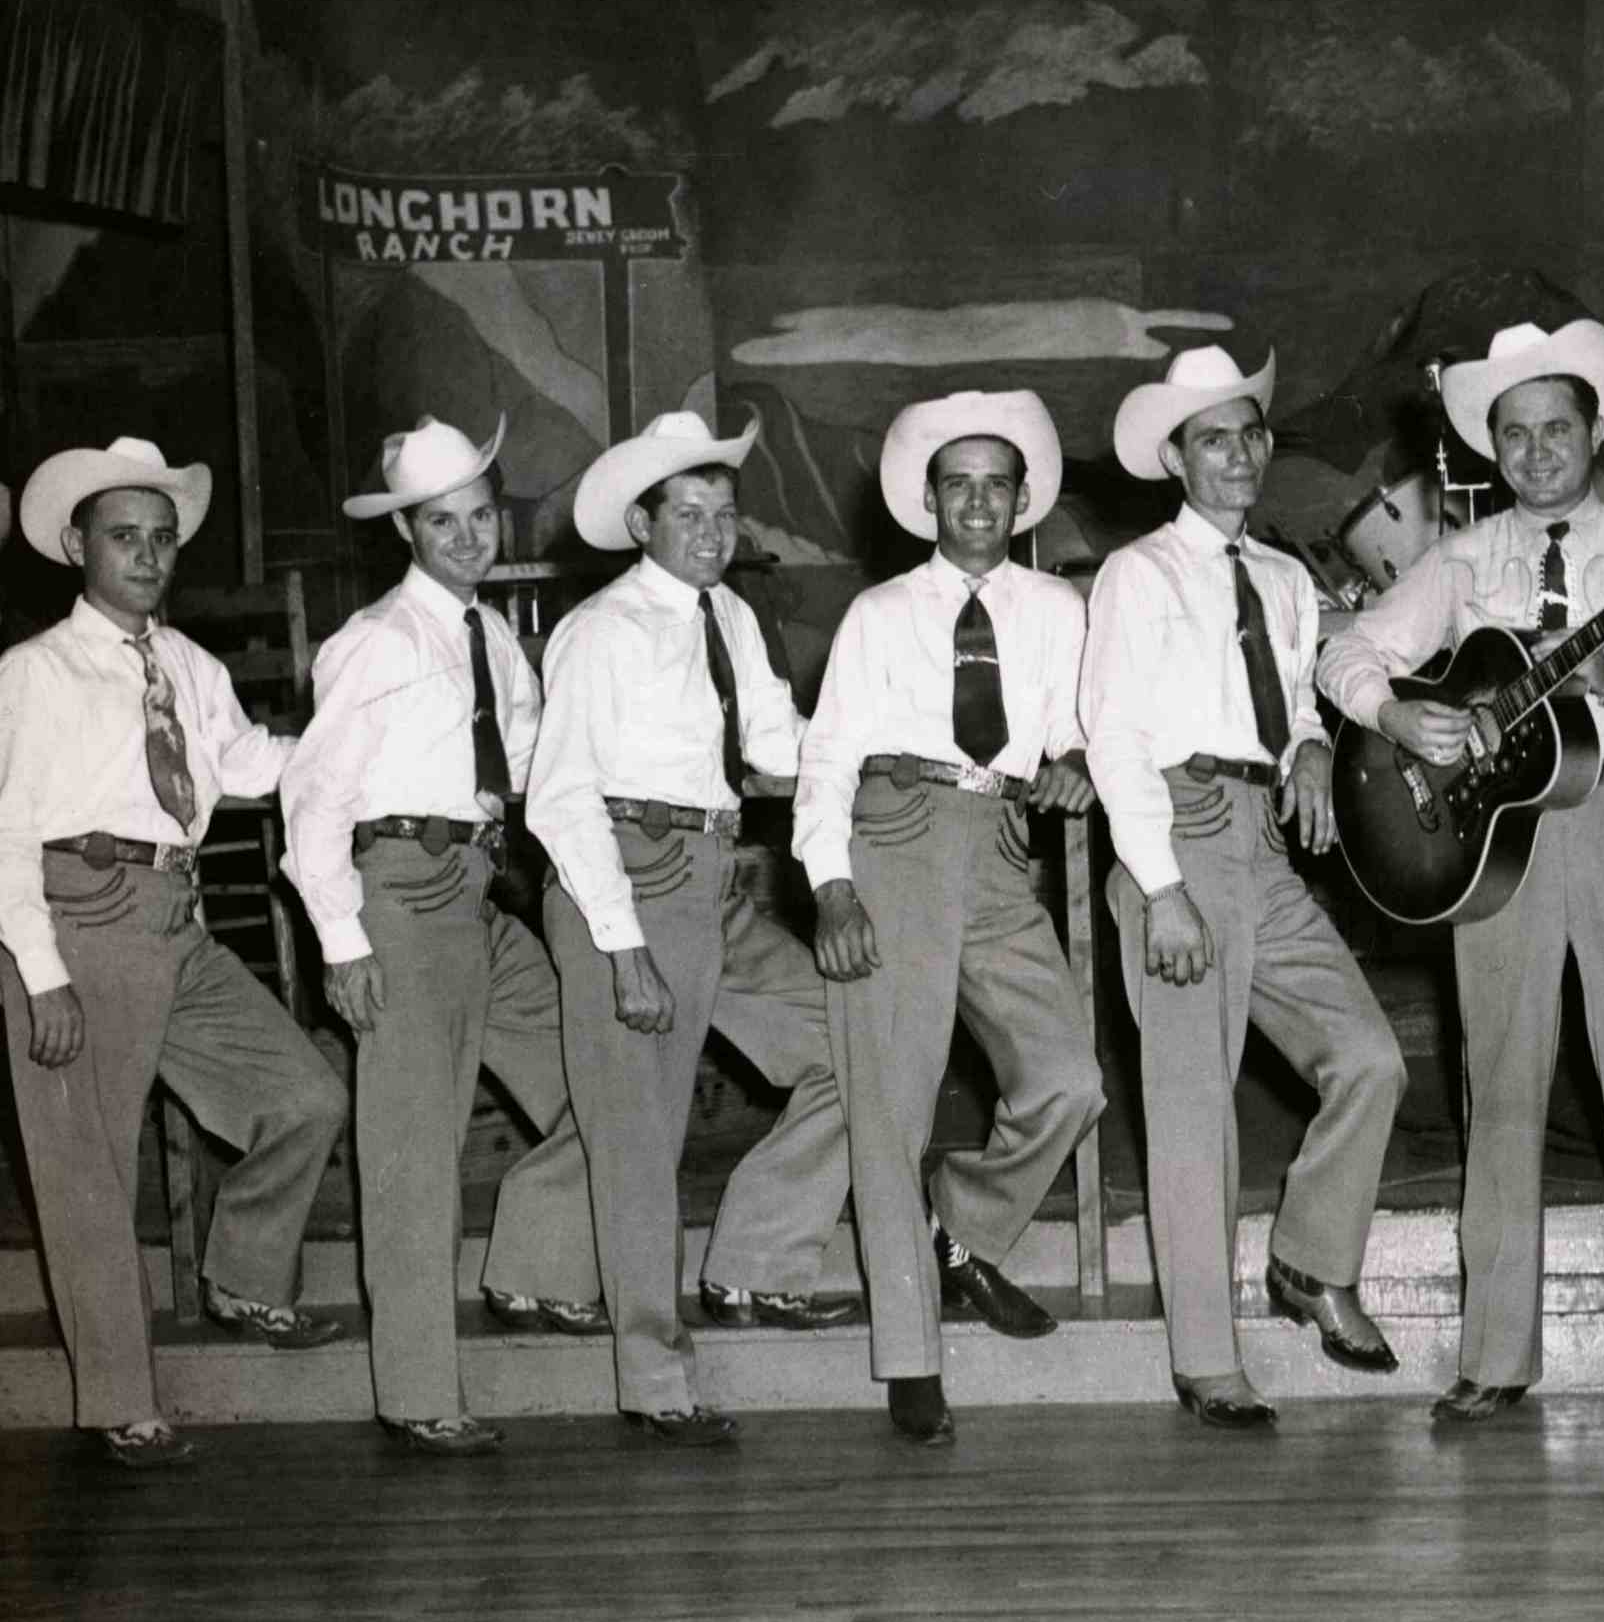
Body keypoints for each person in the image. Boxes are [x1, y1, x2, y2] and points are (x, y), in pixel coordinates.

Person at [1322, 319, 1604, 1426]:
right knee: (1500, 1087)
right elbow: (1343, 652)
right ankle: (1493, 1358)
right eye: (1516, 433)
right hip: (1494, 844)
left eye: (1558, 426)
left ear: (1593, 430)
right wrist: (1402, 714)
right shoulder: (1457, 563)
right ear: (1494, 449)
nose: (1538, 449)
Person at [0, 437, 347, 1467]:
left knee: (304, 1094)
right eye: (123, 538)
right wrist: (40, 973)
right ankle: (121, 1403)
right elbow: (5, 828)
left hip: (173, 919)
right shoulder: (31, 672)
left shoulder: (186, 665)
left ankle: (242, 1275)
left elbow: (244, 763)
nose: (147, 557)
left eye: (161, 540)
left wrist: (354, 751)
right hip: (74, 918)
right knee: (89, 1176)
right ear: (76, 546)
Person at [1083, 346, 1407, 1430]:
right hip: (1173, 835)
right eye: (1213, 438)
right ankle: (1206, 1360)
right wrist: (1159, 886)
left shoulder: (1278, 574)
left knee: (1367, 1057)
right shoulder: (1138, 573)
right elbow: (1114, 735)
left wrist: (1312, 747)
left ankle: (1312, 1262)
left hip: (1262, 841)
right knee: (1191, 1110)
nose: (1239, 455)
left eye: (1251, 434)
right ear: (1174, 457)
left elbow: (1295, 704)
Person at [528, 412, 859, 1446]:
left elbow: (771, 742)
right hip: (624, 876)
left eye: (724, 511)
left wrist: (870, 752)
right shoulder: (598, 631)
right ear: (641, 522)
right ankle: (655, 1379)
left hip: (715, 878)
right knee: (638, 1140)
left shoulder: (730, 621)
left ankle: (751, 1266)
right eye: (690, 512)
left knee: (850, 1047)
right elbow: (559, 798)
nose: (714, 531)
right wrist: (622, 946)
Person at [282, 416, 606, 1456]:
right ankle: (418, 1391)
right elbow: (314, 803)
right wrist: (344, 943)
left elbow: (530, 757)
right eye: (442, 523)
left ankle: (531, 1266)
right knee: (415, 1152)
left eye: (479, 516)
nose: (467, 538)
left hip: (477, 892)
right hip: (401, 894)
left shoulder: (493, 635)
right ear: (406, 532)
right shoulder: (374, 640)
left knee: (600, 1076)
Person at [797, 392, 1105, 1445]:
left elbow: (1072, 730)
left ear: (1024, 503)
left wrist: (1073, 766)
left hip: (998, 846)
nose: (978, 502)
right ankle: (912, 1361)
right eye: (958, 484)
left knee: (1069, 1077)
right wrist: (831, 885)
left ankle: (961, 1226)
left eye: (996, 485)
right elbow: (826, 758)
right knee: (892, 1105)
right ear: (928, 499)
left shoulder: (1060, 612)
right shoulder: (878, 615)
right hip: (892, 839)